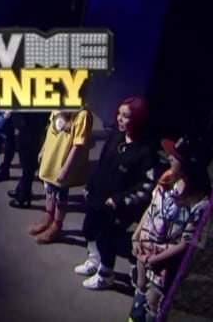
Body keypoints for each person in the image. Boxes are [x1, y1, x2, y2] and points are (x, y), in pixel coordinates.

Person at [75, 97, 160, 290]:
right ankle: (94, 260)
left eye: (125, 116)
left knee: (107, 239)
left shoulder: (146, 152)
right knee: (88, 229)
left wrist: (119, 200)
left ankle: (106, 275)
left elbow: (146, 186)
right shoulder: (116, 136)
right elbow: (102, 163)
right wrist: (90, 185)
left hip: (118, 207)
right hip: (98, 197)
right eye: (119, 114)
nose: (119, 119)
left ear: (137, 120)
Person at [129, 136, 212, 322]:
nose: (169, 157)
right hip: (144, 250)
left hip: (165, 262)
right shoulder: (168, 177)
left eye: (175, 156)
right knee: (140, 288)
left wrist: (155, 259)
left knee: (154, 302)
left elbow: (186, 243)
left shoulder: (200, 203)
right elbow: (152, 207)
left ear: (189, 165)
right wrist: (136, 235)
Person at [30, 108, 93, 244]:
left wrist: (65, 169)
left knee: (60, 196)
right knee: (49, 191)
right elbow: (50, 130)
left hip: (62, 162)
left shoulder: (82, 115)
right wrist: (43, 150)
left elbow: (78, 146)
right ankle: (48, 217)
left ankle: (56, 226)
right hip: (50, 160)